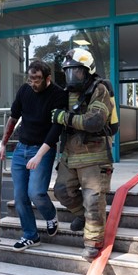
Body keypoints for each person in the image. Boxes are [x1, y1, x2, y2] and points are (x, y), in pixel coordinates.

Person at [51, 48, 114, 261]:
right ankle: (83, 216)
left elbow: (94, 121)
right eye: (69, 72)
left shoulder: (100, 89)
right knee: (61, 191)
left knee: (93, 201)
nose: (72, 76)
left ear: (88, 71)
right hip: (71, 154)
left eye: (77, 71)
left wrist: (64, 118)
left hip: (95, 155)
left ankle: (92, 242)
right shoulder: (66, 93)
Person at [0, 60, 68, 251]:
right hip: (21, 149)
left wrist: (38, 156)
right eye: (30, 79)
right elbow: (13, 117)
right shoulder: (24, 90)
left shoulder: (58, 95)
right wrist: (3, 143)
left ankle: (50, 215)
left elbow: (56, 129)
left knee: (35, 192)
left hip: (43, 149)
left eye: (37, 79)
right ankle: (31, 235)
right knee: (20, 196)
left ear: (47, 78)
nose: (33, 83)